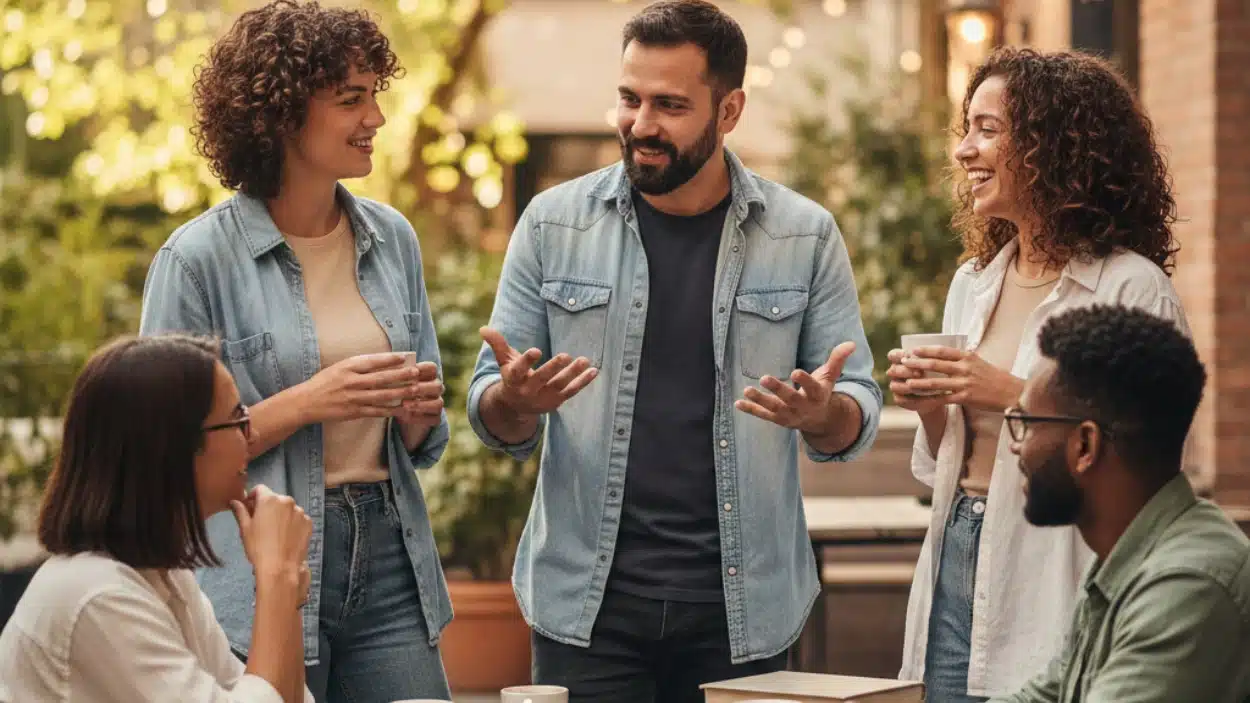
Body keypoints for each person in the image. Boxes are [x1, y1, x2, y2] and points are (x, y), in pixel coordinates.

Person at [466, 1, 882, 701]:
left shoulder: (803, 235)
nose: (640, 124)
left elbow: (856, 406)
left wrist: (823, 415)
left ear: (729, 111)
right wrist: (513, 400)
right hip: (587, 608)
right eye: (630, 98)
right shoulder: (551, 224)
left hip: (744, 610)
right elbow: (492, 411)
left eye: (670, 105)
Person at [138, 2, 453, 700]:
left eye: (374, 95)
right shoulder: (196, 260)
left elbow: (422, 441)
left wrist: (416, 415)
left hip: (391, 556)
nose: (376, 117)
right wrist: (310, 401)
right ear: (281, 115)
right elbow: (162, 454)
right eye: (351, 99)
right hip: (258, 565)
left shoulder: (392, 239)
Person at [886, 48, 1189, 702]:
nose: (964, 149)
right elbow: (945, 461)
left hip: (1054, 565)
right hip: (957, 552)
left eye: (988, 129)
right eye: (965, 129)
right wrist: (931, 405)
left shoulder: (1131, 287)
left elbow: (1147, 456)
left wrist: (1008, 392)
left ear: (1056, 146)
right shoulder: (973, 283)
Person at [0, 335, 315, 703]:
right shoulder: (98, 595)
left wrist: (287, 590)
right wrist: (276, 575)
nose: (253, 434)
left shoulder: (166, 578)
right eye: (237, 420)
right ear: (175, 447)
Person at [993, 304, 1250, 702]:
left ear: (1085, 445)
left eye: (1026, 423)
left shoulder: (1186, 585)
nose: (1017, 445)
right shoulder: (1124, 552)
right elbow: (1047, 694)